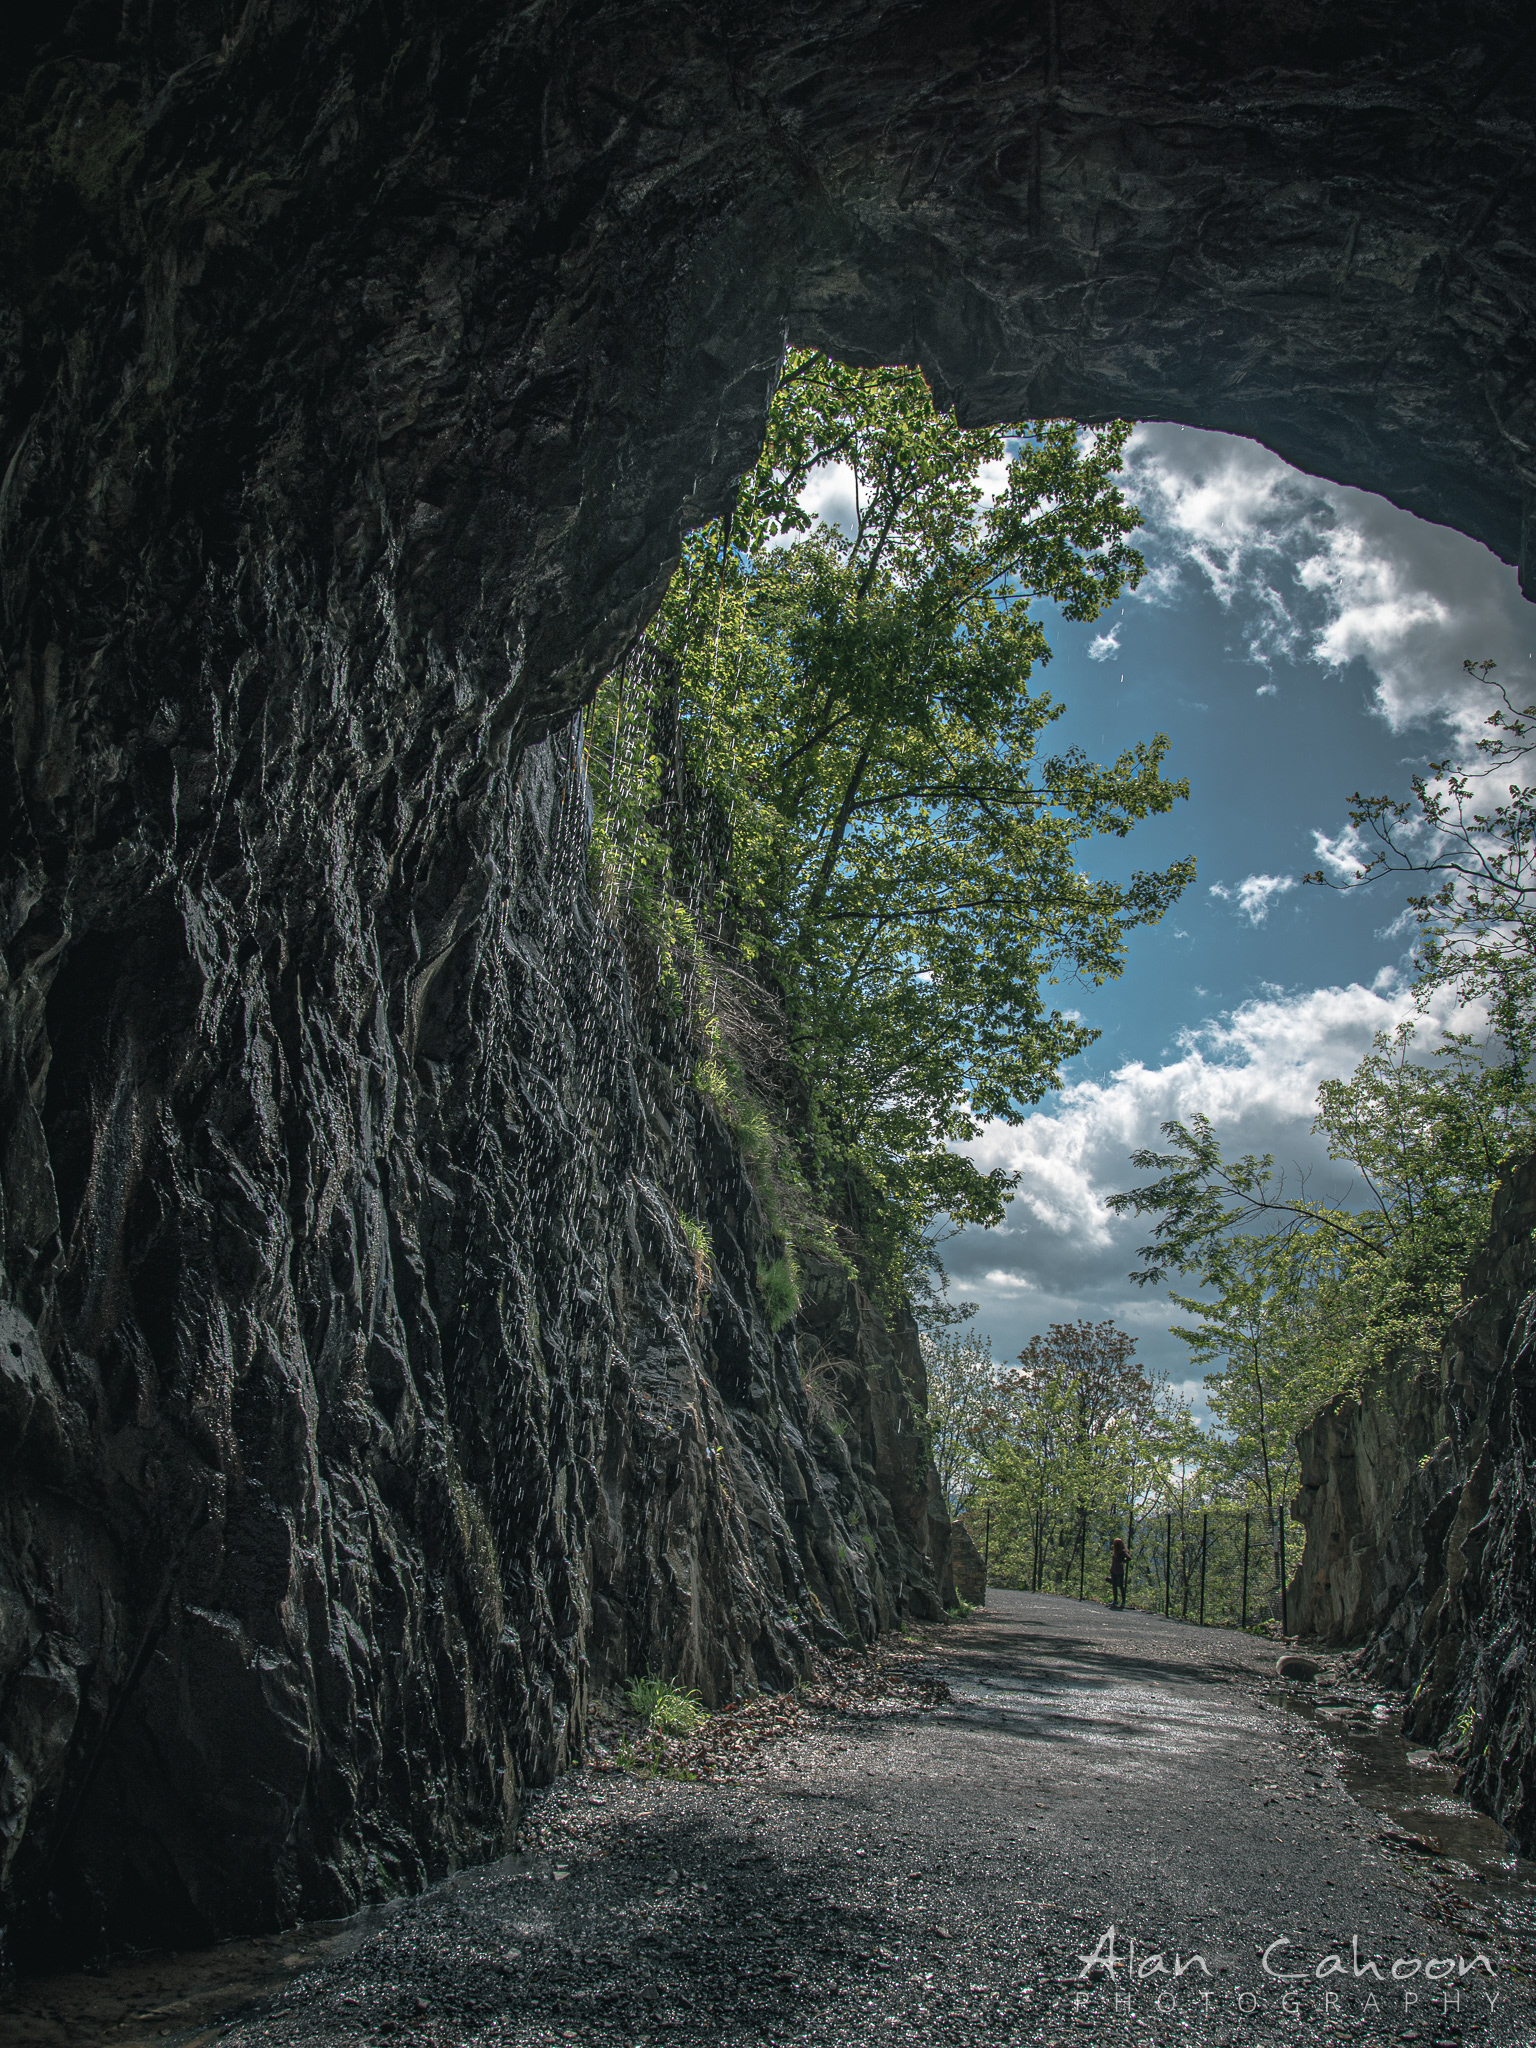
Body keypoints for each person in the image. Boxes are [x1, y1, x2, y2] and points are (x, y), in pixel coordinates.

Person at [1109, 1537, 1129, 1610]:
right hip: (1114, 1570)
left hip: (1119, 1571)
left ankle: (1123, 1601)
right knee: (1114, 1585)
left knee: (1120, 1586)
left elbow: (1129, 1558)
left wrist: (1122, 1562)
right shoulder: (1115, 1552)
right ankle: (1115, 1600)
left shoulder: (1122, 1552)